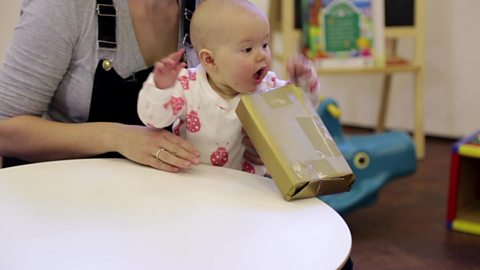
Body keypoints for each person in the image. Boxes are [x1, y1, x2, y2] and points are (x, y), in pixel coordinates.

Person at [0, 0, 212, 171]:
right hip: (60, 196)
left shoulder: (212, 8)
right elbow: (5, 131)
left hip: (159, 200)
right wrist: (116, 137)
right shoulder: (64, 6)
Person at [137, 0, 320, 175]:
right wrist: (161, 88)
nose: (262, 56)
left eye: (265, 45)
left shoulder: (268, 87)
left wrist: (303, 83)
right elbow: (153, 120)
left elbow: (300, 114)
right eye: (248, 49)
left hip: (249, 188)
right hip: (195, 184)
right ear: (210, 60)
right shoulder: (188, 85)